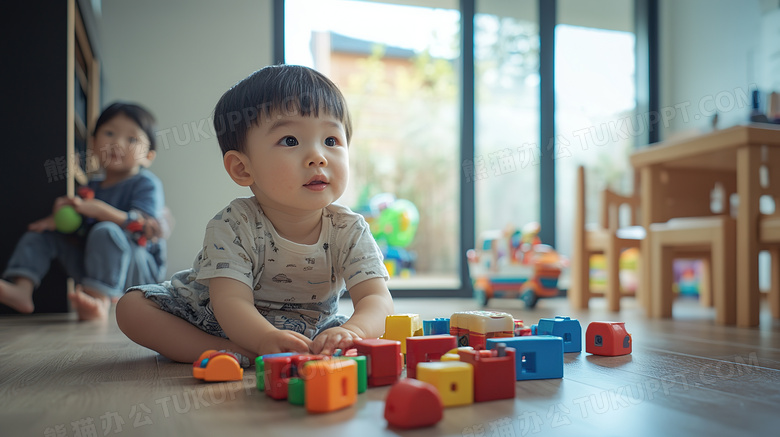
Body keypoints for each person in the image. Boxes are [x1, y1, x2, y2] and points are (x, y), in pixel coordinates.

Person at [115, 65, 394, 367]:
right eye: (290, 141)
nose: (318, 156)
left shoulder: (349, 229)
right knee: (131, 308)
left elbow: (376, 300)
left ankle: (269, 351)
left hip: (308, 328)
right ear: (242, 168)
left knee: (363, 334)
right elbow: (230, 301)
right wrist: (261, 339)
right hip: (216, 320)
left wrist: (352, 331)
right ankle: (225, 350)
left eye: (331, 140)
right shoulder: (235, 223)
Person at [0, 102, 167, 321]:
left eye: (132, 139)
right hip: (96, 267)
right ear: (93, 144)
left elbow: (143, 227)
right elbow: (81, 231)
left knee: (105, 230)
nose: (117, 143)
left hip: (137, 271)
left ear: (148, 156)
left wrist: (100, 210)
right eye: (109, 133)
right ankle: (22, 289)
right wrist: (62, 219)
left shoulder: (146, 184)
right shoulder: (90, 189)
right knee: (43, 232)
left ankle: (99, 301)